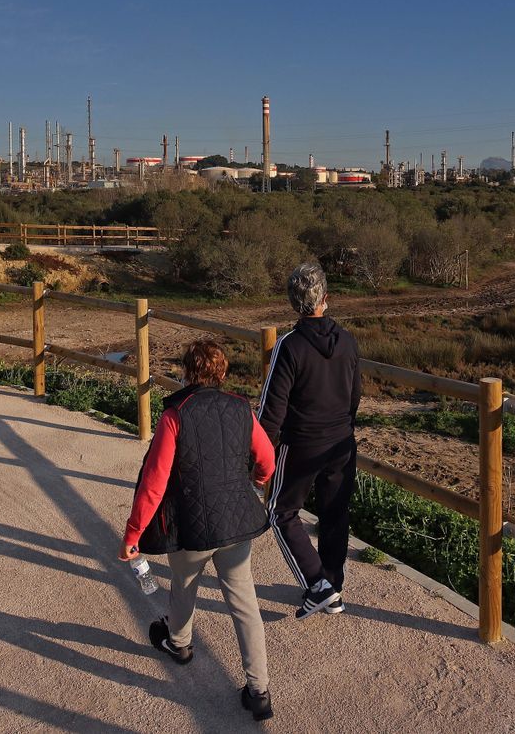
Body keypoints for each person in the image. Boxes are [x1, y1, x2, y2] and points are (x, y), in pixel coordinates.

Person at [122, 340, 277, 722]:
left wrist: (133, 533)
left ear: (188, 372)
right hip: (236, 524)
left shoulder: (176, 414)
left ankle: (180, 644)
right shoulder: (241, 408)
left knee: (183, 584)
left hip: (190, 523)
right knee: (244, 603)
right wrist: (254, 486)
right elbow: (267, 460)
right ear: (222, 373)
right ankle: (259, 692)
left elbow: (154, 483)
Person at [259, 261, 362, 619]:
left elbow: (272, 408)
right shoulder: (348, 340)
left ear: (293, 302)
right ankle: (332, 584)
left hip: (301, 444)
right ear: (326, 299)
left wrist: (259, 454)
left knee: (279, 510)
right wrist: (343, 428)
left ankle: (318, 586)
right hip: (341, 443)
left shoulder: (288, 346)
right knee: (335, 514)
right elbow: (354, 397)